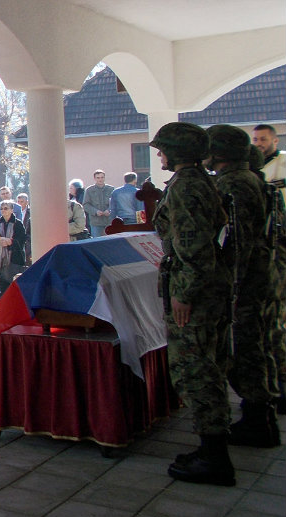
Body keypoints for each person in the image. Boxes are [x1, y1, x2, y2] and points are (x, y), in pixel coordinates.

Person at [150, 122, 234, 486]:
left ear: (177, 151)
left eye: (163, 148)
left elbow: (193, 247)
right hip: (210, 288)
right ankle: (212, 448)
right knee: (208, 367)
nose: (159, 154)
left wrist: (184, 293)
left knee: (197, 371)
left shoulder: (186, 186)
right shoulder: (202, 181)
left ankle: (215, 458)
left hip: (194, 293)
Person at [206, 124, 278, 448]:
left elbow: (239, 241)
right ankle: (260, 417)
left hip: (243, 283)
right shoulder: (249, 179)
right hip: (255, 277)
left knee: (245, 349)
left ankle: (257, 420)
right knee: (253, 347)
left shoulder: (233, 184)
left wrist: (231, 288)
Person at [256, 124, 286, 415]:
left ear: (274, 140)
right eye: (255, 140)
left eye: (263, 139)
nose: (259, 143)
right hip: (261, 252)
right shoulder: (255, 169)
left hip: (280, 246)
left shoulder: (283, 162)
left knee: (277, 321)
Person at [0, 201, 27, 295]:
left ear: (12, 210)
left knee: (15, 286)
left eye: (6, 208)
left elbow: (22, 239)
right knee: (4, 287)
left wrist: (10, 241)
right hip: (1, 259)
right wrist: (0, 239)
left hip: (14, 258)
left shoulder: (17, 223)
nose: (3, 210)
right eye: (1, 209)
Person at [84, 170, 115, 237]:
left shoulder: (111, 189)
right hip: (96, 222)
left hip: (109, 221)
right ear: (94, 179)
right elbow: (86, 205)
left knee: (111, 242)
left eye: (102, 177)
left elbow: (115, 203)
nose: (100, 179)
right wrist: (95, 211)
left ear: (104, 178)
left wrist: (109, 210)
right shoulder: (89, 190)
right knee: (96, 243)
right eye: (98, 178)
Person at [17, 193, 32, 263]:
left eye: (22, 202)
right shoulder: (14, 212)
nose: (19, 204)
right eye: (18, 202)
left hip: (28, 242)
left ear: (27, 202)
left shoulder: (31, 212)